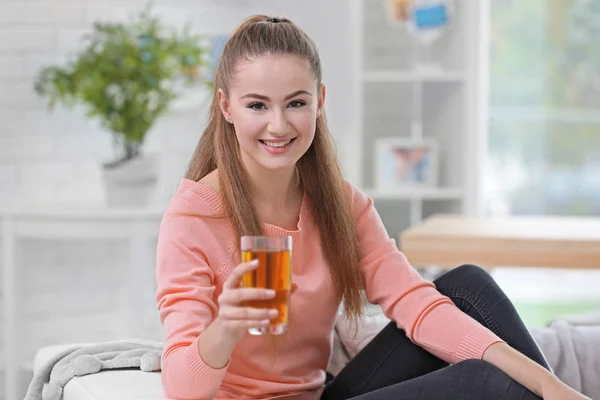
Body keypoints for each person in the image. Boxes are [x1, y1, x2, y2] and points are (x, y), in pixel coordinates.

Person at [155, 15, 590, 400]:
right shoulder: (194, 218)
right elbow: (182, 388)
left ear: (319, 101)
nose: (278, 125)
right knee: (483, 383)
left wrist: (550, 386)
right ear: (225, 106)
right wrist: (225, 328)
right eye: (256, 105)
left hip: (320, 394)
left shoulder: (339, 203)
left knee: (467, 285)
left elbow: (415, 304)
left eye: (296, 103)